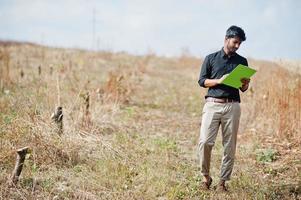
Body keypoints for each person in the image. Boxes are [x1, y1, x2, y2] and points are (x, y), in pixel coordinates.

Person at [197, 25, 250, 191]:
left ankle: (222, 182)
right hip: (212, 105)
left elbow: (243, 89)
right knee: (205, 141)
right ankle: (206, 177)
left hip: (232, 106)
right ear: (226, 39)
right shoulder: (211, 58)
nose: (237, 46)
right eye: (235, 42)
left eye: (239, 43)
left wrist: (245, 84)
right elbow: (202, 81)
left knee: (230, 145)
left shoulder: (242, 62)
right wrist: (219, 81)